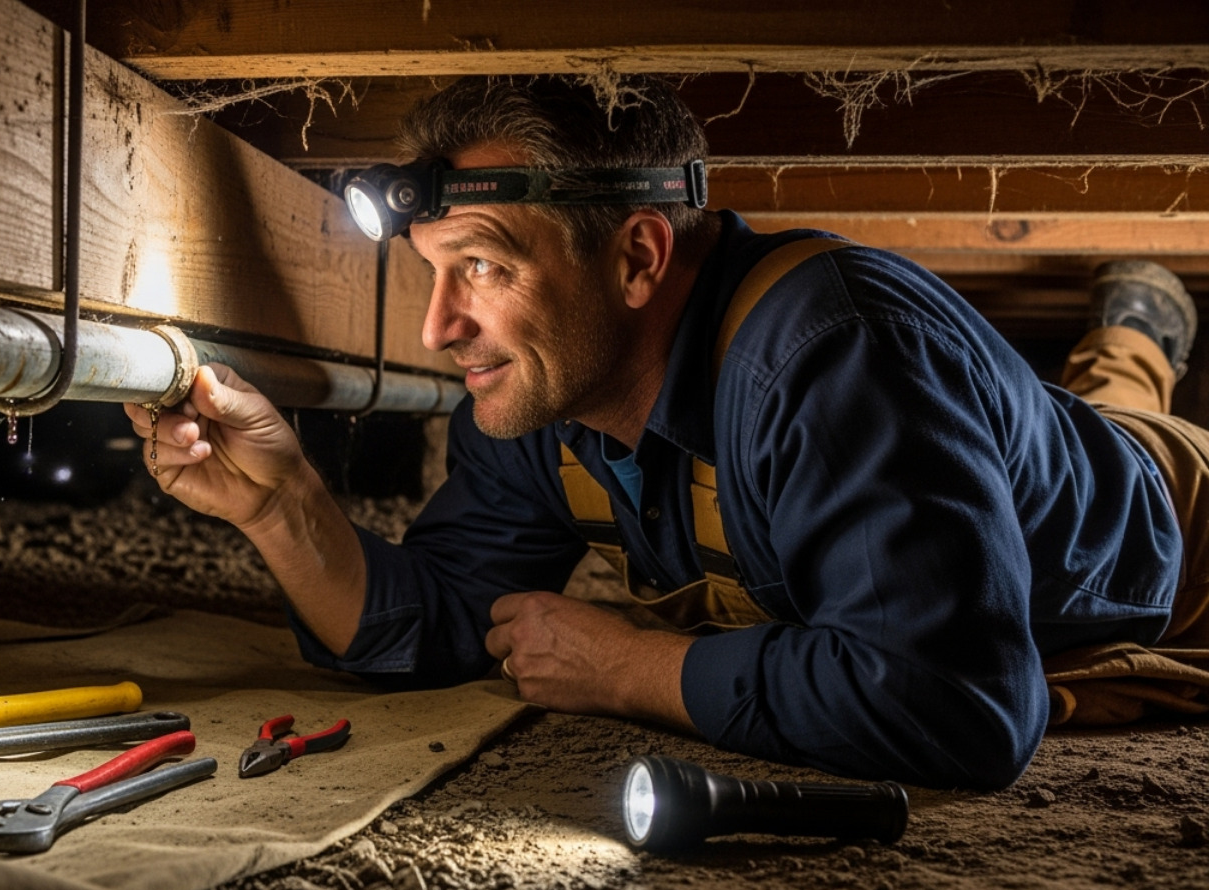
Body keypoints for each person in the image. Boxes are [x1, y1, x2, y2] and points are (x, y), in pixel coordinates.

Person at [124, 76, 1205, 789]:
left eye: (486, 268)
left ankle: (1136, 329)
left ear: (638, 258)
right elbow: (442, 623)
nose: (438, 327)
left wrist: (636, 668)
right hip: (1009, 434)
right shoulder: (536, 396)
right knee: (1080, 396)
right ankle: (1131, 337)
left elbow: (957, 705)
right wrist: (283, 505)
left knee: (1118, 411)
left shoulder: (833, 355)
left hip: (1179, 526)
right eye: (432, 272)